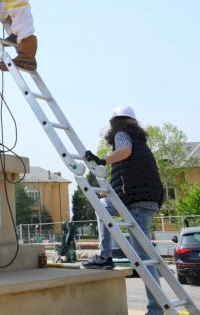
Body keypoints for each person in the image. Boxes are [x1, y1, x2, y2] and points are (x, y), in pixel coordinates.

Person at [81, 106, 165, 315]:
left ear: (115, 122)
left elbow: (124, 151)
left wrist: (102, 160)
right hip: (148, 200)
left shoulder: (122, 135)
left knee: (144, 259)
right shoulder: (141, 142)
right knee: (146, 258)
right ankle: (157, 308)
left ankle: (104, 256)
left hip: (135, 202)